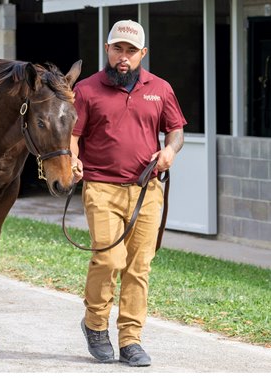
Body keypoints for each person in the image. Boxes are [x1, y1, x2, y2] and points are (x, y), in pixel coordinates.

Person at [70, 19, 186, 366]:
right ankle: (94, 324)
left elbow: (176, 129)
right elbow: (73, 136)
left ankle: (131, 340)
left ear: (142, 54)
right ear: (107, 50)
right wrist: (74, 161)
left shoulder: (160, 89)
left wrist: (170, 152)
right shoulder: (87, 90)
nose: (124, 57)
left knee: (139, 267)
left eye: (131, 51)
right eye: (118, 48)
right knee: (108, 259)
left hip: (147, 190)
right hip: (101, 187)